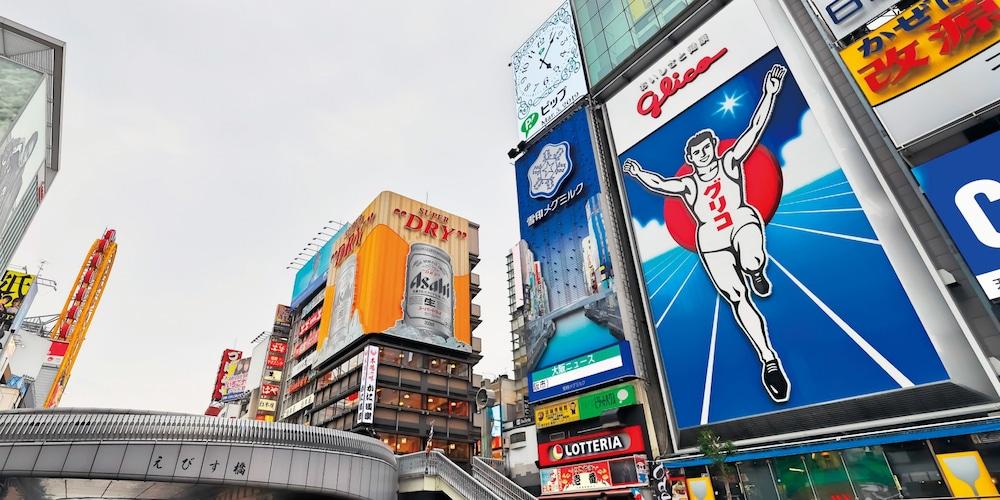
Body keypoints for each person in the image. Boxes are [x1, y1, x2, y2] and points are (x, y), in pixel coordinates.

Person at [623, 65, 790, 403]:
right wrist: (639, 174)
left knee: (753, 255)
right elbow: (661, 184)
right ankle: (769, 361)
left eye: (706, 149)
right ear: (691, 159)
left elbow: (754, 129)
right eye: (696, 154)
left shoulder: (730, 163)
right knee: (737, 298)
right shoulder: (687, 184)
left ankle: (756, 270)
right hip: (711, 239)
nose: (704, 156)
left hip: (740, 222)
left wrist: (769, 93)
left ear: (713, 147)